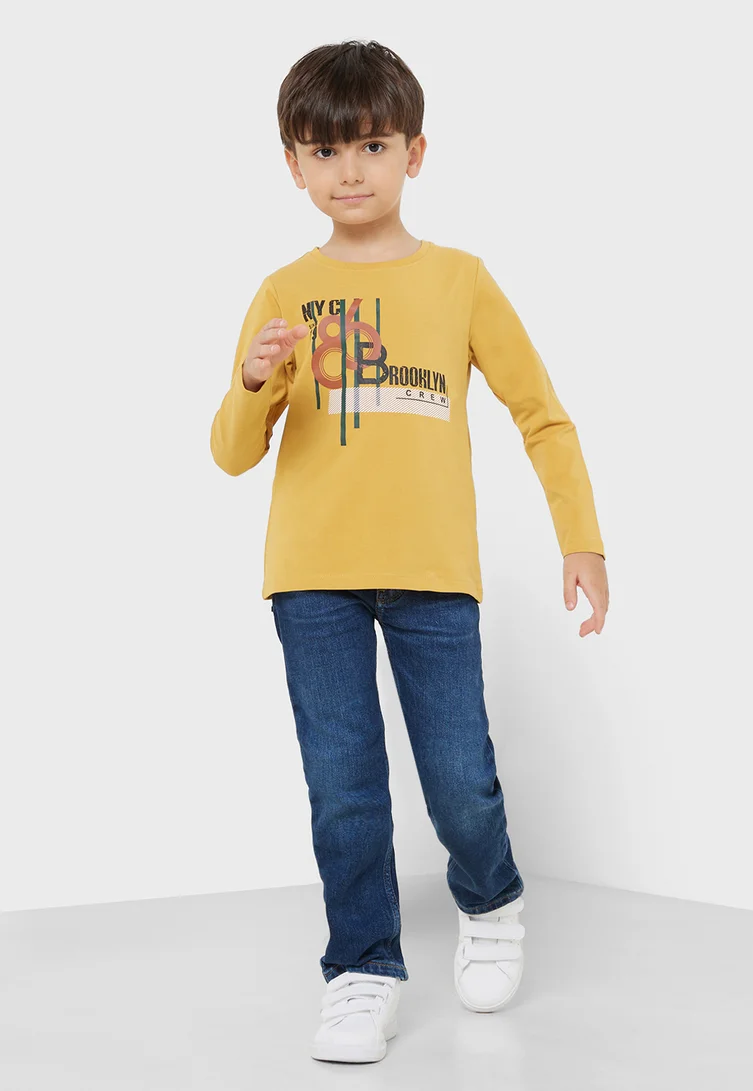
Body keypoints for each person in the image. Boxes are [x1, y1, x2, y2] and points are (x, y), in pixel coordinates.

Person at [210, 39, 609, 1065]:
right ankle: (361, 968)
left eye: (373, 145)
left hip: (432, 576)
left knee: (459, 779)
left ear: (414, 152)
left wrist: (580, 538)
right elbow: (232, 453)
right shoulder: (282, 291)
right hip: (312, 580)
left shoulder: (459, 281)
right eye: (325, 150)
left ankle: (491, 897)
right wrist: (250, 382)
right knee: (343, 786)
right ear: (293, 166)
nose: (350, 170)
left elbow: (541, 415)